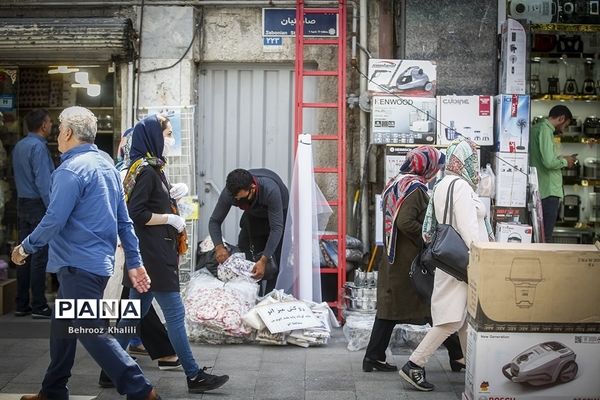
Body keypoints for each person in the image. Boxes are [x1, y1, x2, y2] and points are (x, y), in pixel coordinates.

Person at [11, 106, 161, 400]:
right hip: (94, 264)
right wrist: (135, 260)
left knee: (88, 328)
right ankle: (52, 390)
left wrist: (24, 247)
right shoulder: (106, 165)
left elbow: (54, 220)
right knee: (63, 328)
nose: (57, 137)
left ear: (67, 133)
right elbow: (124, 220)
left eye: (59, 131)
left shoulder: (69, 170)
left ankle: (140, 389)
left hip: (78, 265)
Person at [110, 113, 229, 394]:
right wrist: (169, 218)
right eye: (167, 133)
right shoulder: (147, 170)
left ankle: (109, 369)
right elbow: (135, 213)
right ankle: (193, 374)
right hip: (154, 256)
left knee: (131, 314)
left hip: (150, 253)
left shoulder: (151, 167)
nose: (170, 139)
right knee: (175, 314)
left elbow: (148, 201)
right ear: (153, 136)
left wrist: (171, 196)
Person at [399, 138, 494, 392]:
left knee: (462, 320)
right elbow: (467, 228)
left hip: (451, 262)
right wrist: (482, 257)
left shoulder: (443, 183)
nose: (476, 163)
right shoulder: (460, 187)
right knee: (451, 321)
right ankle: (414, 364)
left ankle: (473, 368)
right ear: (464, 160)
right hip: (461, 264)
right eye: (473, 158)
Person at [363, 146, 465, 374]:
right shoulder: (415, 188)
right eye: (436, 166)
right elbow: (405, 222)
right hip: (407, 262)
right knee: (431, 307)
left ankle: (374, 357)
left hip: (394, 257)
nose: (437, 171)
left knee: (397, 310)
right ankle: (457, 357)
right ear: (427, 166)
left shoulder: (396, 183)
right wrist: (429, 237)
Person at [209, 168, 289, 294]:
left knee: (273, 265)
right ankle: (251, 300)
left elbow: (276, 228)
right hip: (252, 215)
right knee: (247, 257)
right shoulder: (230, 193)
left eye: (241, 198)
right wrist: (219, 247)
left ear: (252, 188)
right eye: (235, 199)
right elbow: (214, 221)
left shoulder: (270, 190)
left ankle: (268, 301)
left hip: (276, 216)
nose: (238, 201)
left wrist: (264, 260)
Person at [11, 108, 54, 318]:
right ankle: (39, 305)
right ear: (43, 125)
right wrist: (52, 208)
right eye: (50, 122)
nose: (52, 126)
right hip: (38, 204)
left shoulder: (19, 145)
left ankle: (21, 303)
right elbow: (43, 181)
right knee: (38, 255)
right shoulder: (38, 147)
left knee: (23, 252)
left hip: (22, 202)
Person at [529, 105, 576, 242]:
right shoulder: (545, 130)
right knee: (546, 236)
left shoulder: (537, 128)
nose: (564, 129)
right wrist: (566, 162)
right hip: (548, 191)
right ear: (561, 118)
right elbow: (549, 162)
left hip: (541, 189)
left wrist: (561, 159)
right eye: (565, 125)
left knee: (539, 235)